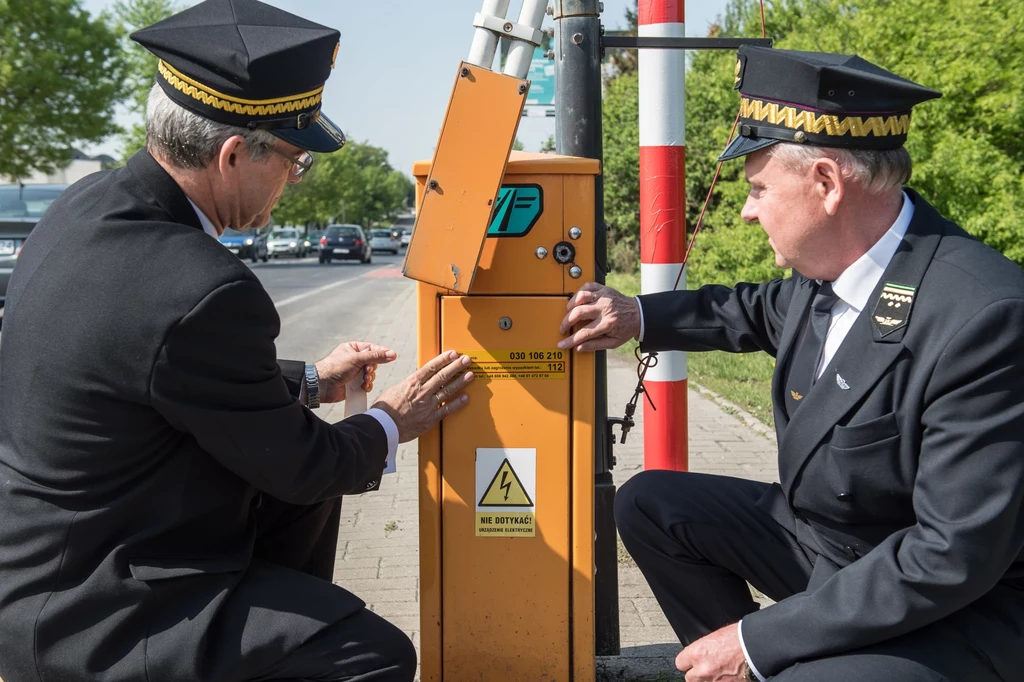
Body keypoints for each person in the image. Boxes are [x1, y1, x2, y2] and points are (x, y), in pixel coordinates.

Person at [0, 1, 473, 680]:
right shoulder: (202, 285)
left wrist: (311, 381)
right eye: (294, 162)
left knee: (289, 509)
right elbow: (306, 465)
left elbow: (155, 368)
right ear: (230, 155)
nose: (293, 180)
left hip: (47, 573)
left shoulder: (87, 206)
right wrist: (391, 421)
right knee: (372, 656)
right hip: (109, 609)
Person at [559, 46, 1024, 681]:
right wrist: (638, 314)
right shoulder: (832, 272)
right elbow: (748, 311)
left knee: (789, 668)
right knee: (651, 503)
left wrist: (756, 640)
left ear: (827, 183)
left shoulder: (982, 316)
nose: (748, 210)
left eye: (757, 188)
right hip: (842, 551)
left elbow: (953, 555)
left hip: (958, 605)